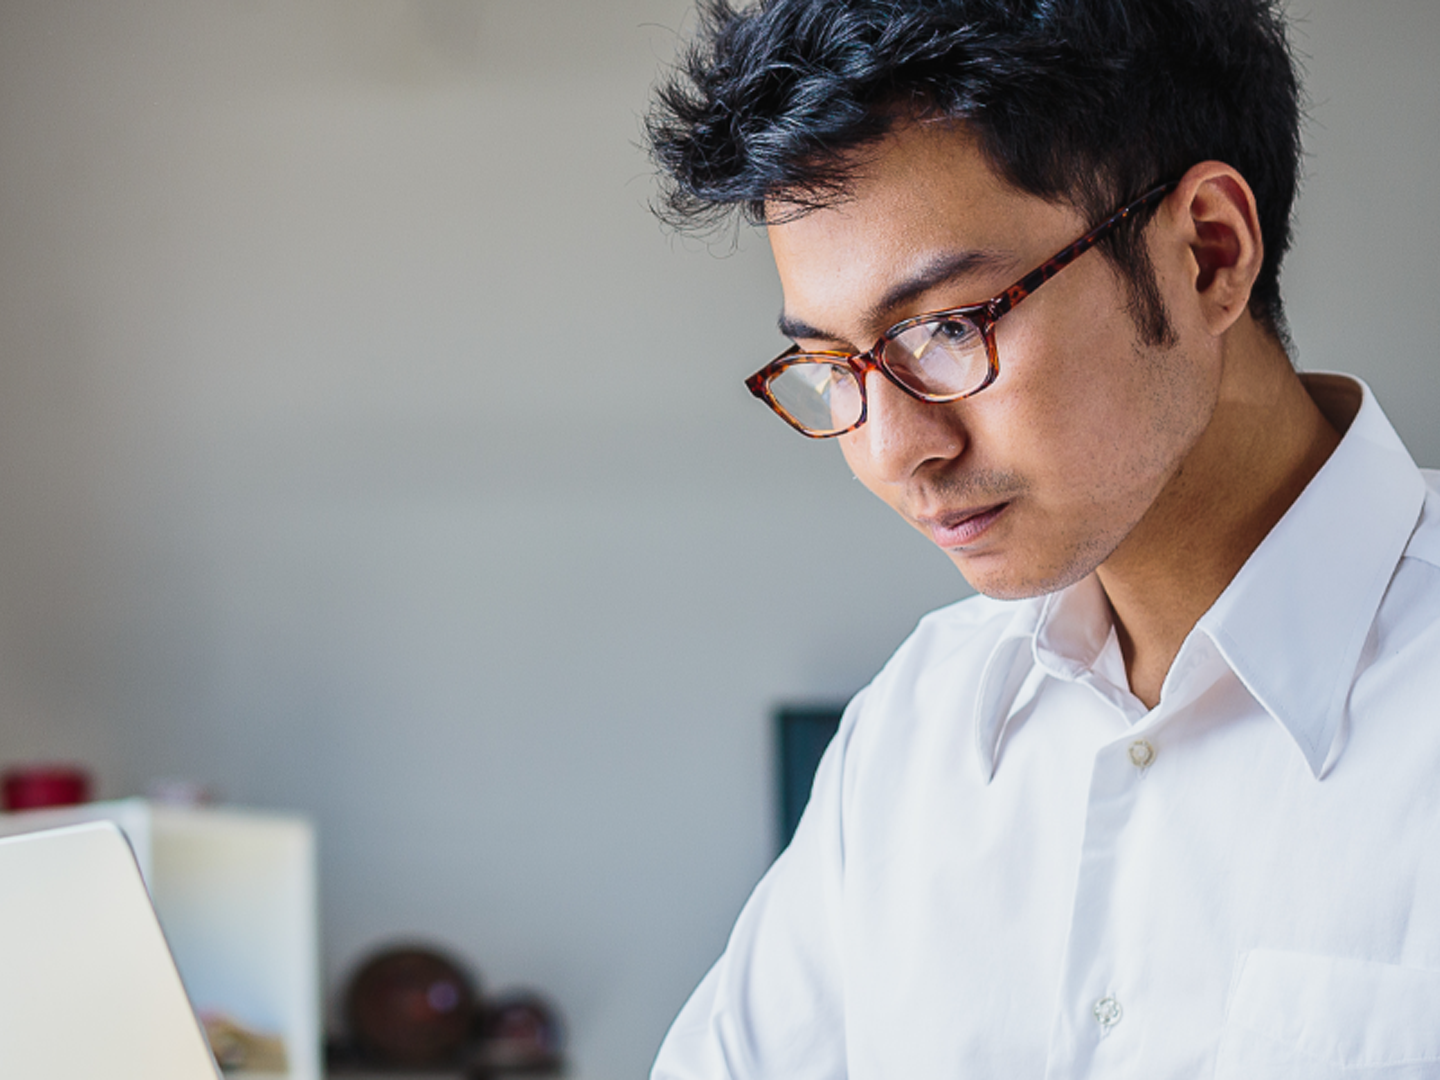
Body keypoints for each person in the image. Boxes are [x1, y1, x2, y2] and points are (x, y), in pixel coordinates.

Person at [645, 0, 1440, 1076]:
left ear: (1210, 253)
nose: (895, 450)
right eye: (835, 364)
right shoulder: (915, 729)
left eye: (947, 327)